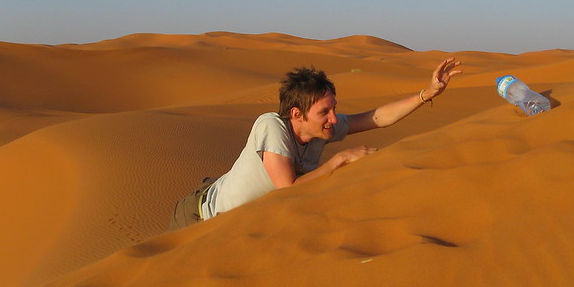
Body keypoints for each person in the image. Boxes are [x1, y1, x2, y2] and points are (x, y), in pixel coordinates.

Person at [169, 58, 462, 229]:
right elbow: (288, 190)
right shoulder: (271, 126)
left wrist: (427, 93)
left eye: (334, 108)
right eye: (324, 111)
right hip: (199, 218)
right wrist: (338, 161)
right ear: (297, 114)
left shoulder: (322, 129)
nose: (333, 118)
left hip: (239, 226)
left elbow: (377, 118)